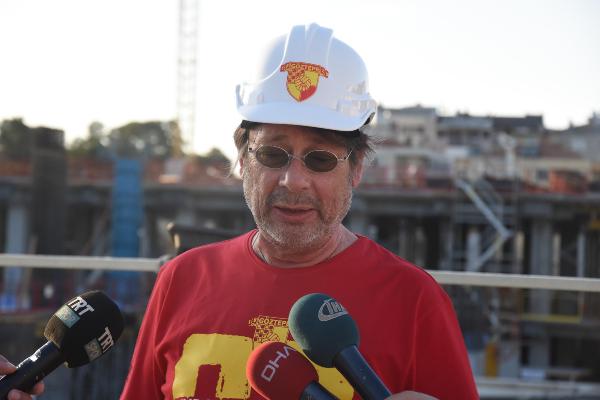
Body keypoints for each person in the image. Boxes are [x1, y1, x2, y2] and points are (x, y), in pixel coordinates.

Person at [120, 23, 478, 400]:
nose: (293, 181)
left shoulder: (415, 302)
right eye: (272, 154)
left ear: (356, 168)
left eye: (320, 159)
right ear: (242, 159)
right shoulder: (179, 280)